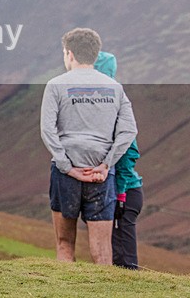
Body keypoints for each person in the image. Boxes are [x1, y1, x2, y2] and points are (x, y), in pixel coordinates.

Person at [40, 28, 137, 265]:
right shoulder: (114, 88)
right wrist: (106, 164)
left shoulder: (55, 85)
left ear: (70, 54)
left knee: (65, 244)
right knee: (103, 251)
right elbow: (128, 130)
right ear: (94, 54)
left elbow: (47, 129)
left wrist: (67, 167)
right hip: (100, 176)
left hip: (66, 174)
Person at [94, 51, 144, 270]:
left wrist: (120, 192)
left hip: (125, 192)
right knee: (114, 256)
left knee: (125, 262)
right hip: (116, 190)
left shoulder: (114, 103)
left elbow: (128, 151)